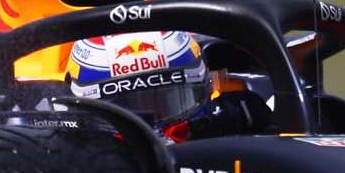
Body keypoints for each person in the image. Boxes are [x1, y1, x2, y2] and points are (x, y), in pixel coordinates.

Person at [64, 31, 273, 141]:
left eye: (169, 101)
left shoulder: (236, 117)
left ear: (205, 87)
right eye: (127, 110)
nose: (157, 131)